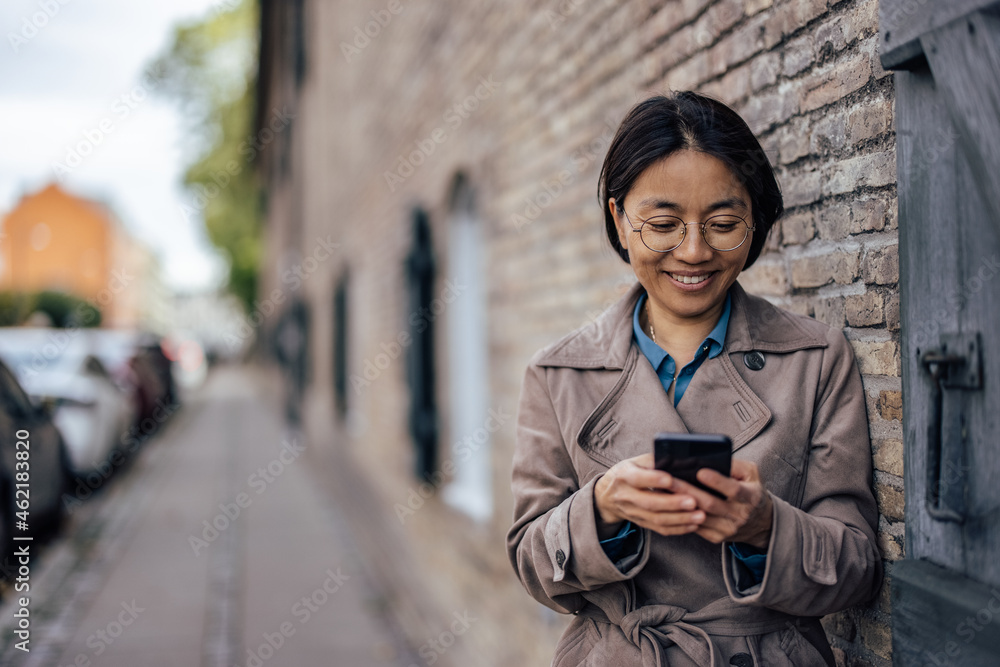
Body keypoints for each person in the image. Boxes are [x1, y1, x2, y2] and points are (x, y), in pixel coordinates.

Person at [506, 92, 882, 667]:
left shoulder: (816, 359)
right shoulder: (559, 374)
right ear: (619, 220)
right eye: (663, 224)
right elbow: (532, 562)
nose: (694, 251)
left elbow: (856, 567)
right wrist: (601, 508)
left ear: (754, 221)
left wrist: (765, 528)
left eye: (723, 223)